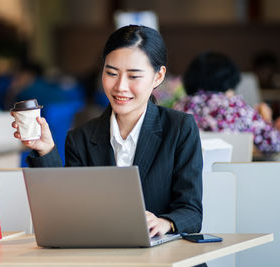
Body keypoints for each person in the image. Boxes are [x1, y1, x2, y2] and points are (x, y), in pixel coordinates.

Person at [12, 25, 203, 236]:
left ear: (158, 77)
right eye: (111, 73)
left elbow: (191, 211)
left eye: (133, 76)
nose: (120, 86)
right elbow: (66, 211)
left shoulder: (179, 128)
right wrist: (46, 151)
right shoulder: (81, 138)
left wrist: (164, 223)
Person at [173, 51, 280, 155]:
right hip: (235, 174)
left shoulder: (180, 106)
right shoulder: (236, 107)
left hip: (188, 174)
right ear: (230, 80)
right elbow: (275, 144)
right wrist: (266, 119)